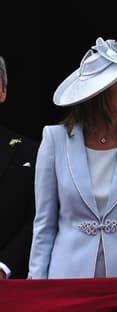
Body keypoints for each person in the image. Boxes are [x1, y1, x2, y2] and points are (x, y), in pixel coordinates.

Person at [28, 34, 117, 278]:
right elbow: (44, 224)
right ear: (100, 88)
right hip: (66, 279)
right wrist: (36, 285)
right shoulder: (54, 139)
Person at [0, 56, 39, 279]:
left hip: (9, 287)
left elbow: (40, 215)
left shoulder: (30, 152)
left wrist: (4, 265)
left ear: (3, 91)